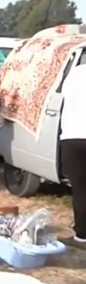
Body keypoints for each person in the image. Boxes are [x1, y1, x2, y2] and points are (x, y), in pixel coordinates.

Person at [59, 63, 86, 250]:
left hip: (73, 137)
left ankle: (82, 236)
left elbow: (62, 97)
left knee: (81, 189)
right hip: (74, 135)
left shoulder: (75, 73)